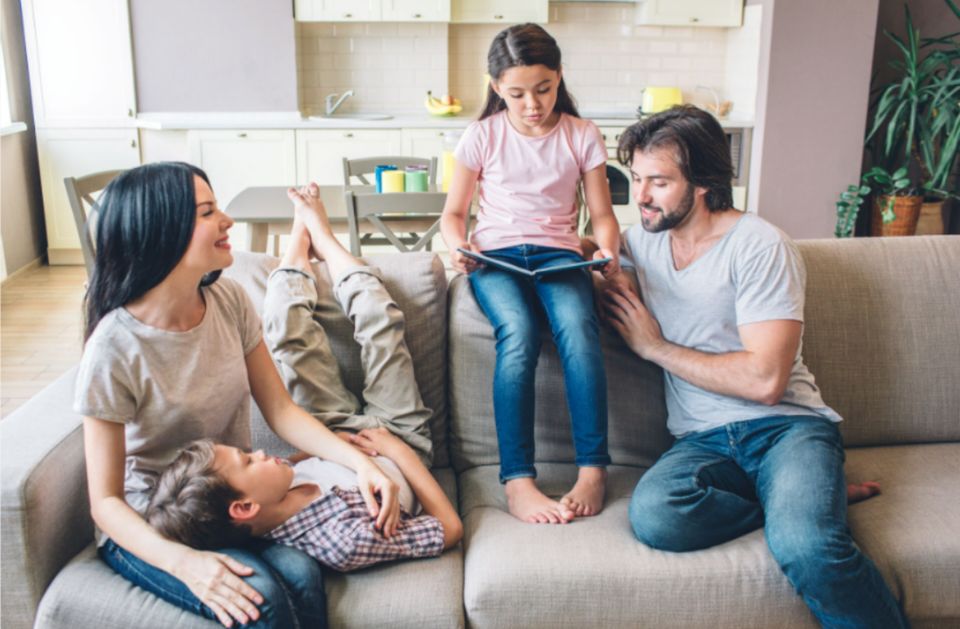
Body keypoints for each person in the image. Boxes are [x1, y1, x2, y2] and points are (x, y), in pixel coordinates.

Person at [598, 105, 907, 628]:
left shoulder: (760, 246)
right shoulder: (642, 242)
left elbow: (766, 382)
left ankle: (806, 506)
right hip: (701, 442)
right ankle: (802, 499)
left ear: (702, 183)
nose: (641, 196)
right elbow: (598, 268)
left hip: (787, 430)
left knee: (808, 545)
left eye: (658, 181)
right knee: (657, 516)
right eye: (636, 178)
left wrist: (655, 348)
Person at [77, 162, 404, 629]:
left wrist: (362, 464)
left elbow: (280, 409)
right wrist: (182, 563)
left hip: (225, 506)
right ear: (161, 232)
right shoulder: (113, 348)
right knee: (263, 596)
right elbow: (105, 502)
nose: (227, 221)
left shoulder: (228, 301)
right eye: (208, 212)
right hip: (152, 524)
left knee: (302, 574)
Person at [440, 23, 620, 525]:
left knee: (580, 334)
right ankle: (518, 480)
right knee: (516, 334)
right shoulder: (482, 134)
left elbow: (601, 215)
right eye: (516, 93)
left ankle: (592, 470)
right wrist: (459, 248)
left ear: (559, 78)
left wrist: (608, 248)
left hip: (561, 255)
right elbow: (453, 216)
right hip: (495, 258)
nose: (532, 104)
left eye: (543, 89)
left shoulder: (582, 135)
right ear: (496, 87)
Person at [145, 427, 461, 571]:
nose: (259, 453)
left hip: (351, 431)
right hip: (405, 438)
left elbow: (301, 462)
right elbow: (449, 529)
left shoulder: (278, 487)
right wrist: (398, 451)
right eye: (248, 461)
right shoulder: (345, 540)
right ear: (244, 507)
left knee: (301, 348)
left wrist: (332, 443)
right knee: (384, 343)